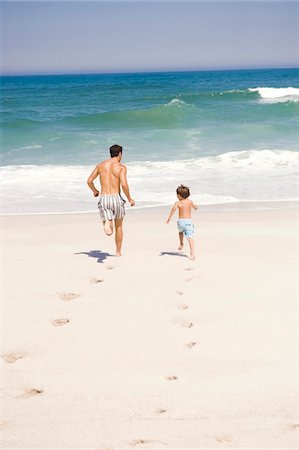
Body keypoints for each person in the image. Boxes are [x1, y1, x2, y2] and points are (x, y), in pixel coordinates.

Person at [87, 144, 135, 256]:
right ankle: (118, 252)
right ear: (120, 154)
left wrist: (95, 191)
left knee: (109, 230)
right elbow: (124, 184)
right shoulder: (121, 167)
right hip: (116, 198)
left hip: (104, 199)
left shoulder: (100, 165)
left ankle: (107, 222)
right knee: (119, 227)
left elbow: (89, 181)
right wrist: (129, 198)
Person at [166, 185, 198, 260]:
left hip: (180, 222)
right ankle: (192, 253)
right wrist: (195, 207)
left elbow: (173, 209)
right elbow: (195, 207)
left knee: (180, 232)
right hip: (188, 222)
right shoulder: (190, 202)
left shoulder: (177, 203)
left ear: (179, 195)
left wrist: (169, 217)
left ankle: (181, 243)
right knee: (190, 238)